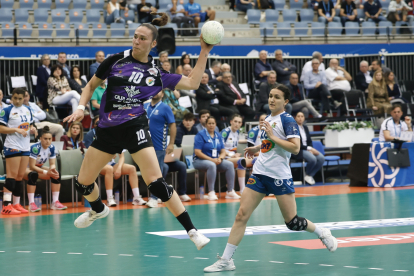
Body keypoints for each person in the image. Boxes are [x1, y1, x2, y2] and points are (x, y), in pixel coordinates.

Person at [64, 15, 212, 250]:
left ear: (153, 44)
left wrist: (204, 50)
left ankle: (192, 231)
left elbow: (193, 83)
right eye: (135, 37)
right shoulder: (114, 61)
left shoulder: (156, 74)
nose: (136, 41)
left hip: (135, 128)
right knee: (83, 184)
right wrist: (81, 108)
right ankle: (98, 210)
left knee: (156, 183)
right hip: (107, 130)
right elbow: (90, 86)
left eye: (142, 38)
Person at [204, 84, 337, 273]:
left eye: (277, 97)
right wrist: (257, 148)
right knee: (241, 215)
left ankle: (322, 232)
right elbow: (269, 143)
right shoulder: (268, 118)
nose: (272, 99)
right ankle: (226, 260)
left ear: (286, 101)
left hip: (279, 177)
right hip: (259, 173)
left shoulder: (288, 120)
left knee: (292, 222)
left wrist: (273, 137)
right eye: (270, 96)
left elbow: (295, 148)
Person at [0, 88, 37, 215]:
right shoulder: (7, 110)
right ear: (12, 97)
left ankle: (16, 203)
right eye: (15, 98)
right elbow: (1, 128)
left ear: (25, 98)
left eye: (20, 98)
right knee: (11, 175)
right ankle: (6, 205)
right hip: (12, 145)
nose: (17, 100)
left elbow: (31, 124)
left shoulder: (28, 110)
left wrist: (33, 129)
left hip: (25, 146)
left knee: (20, 177)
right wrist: (16, 129)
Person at [193, 116, 240, 200]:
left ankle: (230, 191)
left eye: (213, 123)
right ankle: (211, 192)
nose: (211, 125)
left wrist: (221, 158)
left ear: (215, 125)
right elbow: (197, 152)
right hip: (199, 160)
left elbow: (222, 151)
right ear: (206, 124)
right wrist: (212, 160)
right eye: (209, 123)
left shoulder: (218, 135)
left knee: (229, 164)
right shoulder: (200, 134)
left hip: (215, 160)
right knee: (211, 165)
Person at [143, 90, 176, 207]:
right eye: (154, 90)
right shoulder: (144, 105)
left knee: (157, 171)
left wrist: (171, 143)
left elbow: (172, 125)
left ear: (162, 94)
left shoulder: (165, 107)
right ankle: (162, 194)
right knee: (148, 171)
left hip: (158, 145)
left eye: (159, 91)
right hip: (144, 144)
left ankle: (154, 197)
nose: (156, 92)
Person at [24, 126, 67, 212]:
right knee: (33, 175)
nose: (48, 141)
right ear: (40, 138)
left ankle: (55, 202)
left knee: (56, 174)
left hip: (39, 167)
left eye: (50, 139)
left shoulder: (51, 147)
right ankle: (31, 204)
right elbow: (32, 166)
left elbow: (52, 164)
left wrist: (52, 170)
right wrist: (46, 172)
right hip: (26, 168)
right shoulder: (35, 148)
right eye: (45, 139)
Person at [220, 114, 254, 194]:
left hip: (232, 157)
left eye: (239, 122)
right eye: (235, 121)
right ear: (231, 122)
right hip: (223, 157)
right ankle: (242, 189)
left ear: (241, 124)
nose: (237, 124)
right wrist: (231, 155)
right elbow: (219, 149)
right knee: (241, 161)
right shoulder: (225, 132)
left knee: (254, 160)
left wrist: (235, 154)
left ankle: (253, 188)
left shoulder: (237, 132)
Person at [293, 112, 325, 185]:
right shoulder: (293, 128)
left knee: (321, 158)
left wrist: (310, 149)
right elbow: (297, 144)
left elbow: (309, 141)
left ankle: (309, 175)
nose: (300, 118)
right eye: (298, 116)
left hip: (307, 149)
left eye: (302, 116)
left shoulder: (305, 128)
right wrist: (309, 149)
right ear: (295, 118)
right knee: (313, 159)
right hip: (299, 150)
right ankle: (308, 174)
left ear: (304, 118)